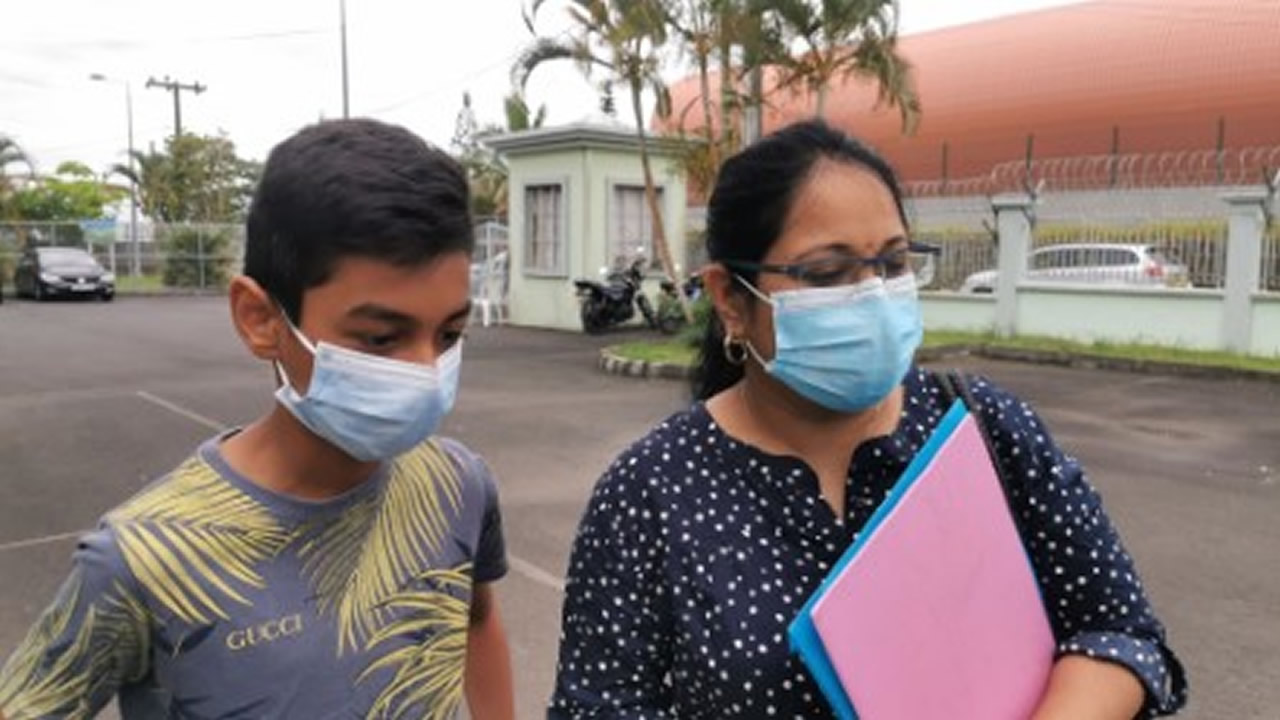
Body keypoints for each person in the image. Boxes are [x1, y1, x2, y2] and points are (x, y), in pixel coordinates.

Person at [548, 119, 1186, 719]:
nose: (874, 295)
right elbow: (599, 705)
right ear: (729, 300)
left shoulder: (982, 427)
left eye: (893, 263)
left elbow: (1121, 633)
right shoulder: (651, 493)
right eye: (828, 273)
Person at [0, 119, 514, 720]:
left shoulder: (458, 485)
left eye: (450, 333)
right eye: (380, 338)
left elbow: (476, 620)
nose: (428, 371)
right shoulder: (143, 559)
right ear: (260, 318)